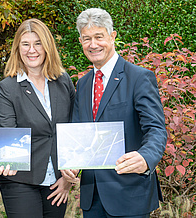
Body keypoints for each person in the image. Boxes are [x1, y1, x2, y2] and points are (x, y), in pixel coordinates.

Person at [61, 8, 167, 218]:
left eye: (99, 37)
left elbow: (156, 129)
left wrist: (146, 157)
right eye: (86, 39)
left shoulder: (139, 78)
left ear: (112, 36)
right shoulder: (82, 85)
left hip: (129, 194)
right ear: (81, 41)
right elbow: (79, 134)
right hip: (92, 198)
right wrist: (70, 163)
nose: (93, 44)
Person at [0, 18, 75, 217]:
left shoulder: (63, 81)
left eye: (38, 43)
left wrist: (68, 177)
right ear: (17, 48)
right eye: (26, 44)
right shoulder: (7, 87)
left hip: (58, 180)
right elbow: (7, 132)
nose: (32, 50)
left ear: (47, 46)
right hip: (20, 180)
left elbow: (74, 129)